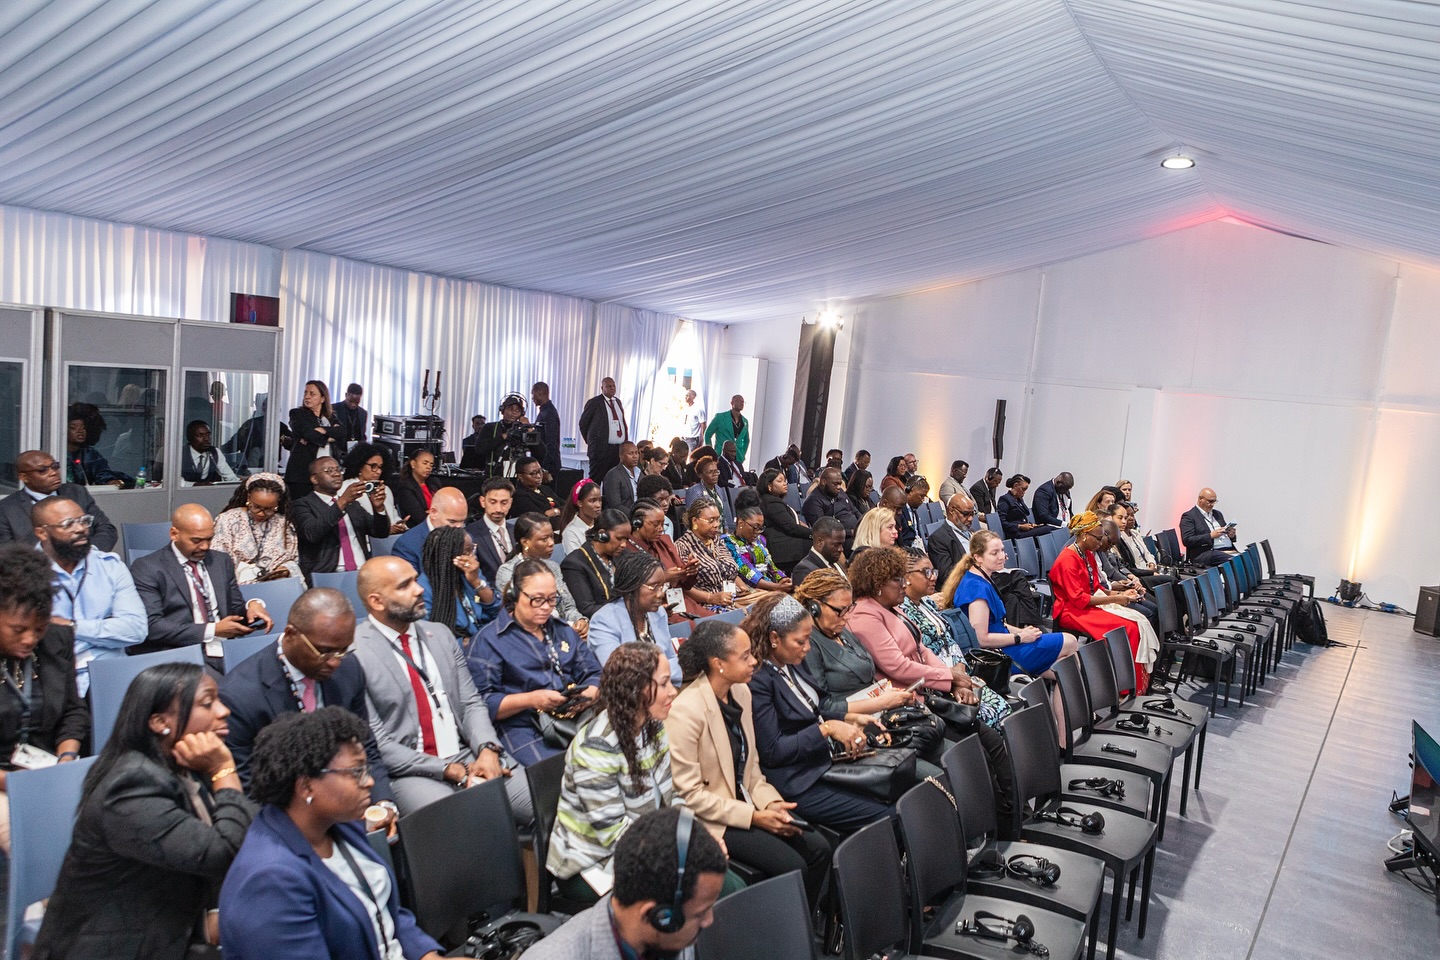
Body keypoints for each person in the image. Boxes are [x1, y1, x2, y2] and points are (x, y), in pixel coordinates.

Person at [31, 663, 255, 960]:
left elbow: (239, 830)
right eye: (207, 703)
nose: (224, 711)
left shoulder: (185, 762)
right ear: (160, 722)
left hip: (167, 923)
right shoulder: (131, 786)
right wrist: (224, 770)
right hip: (115, 947)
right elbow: (221, 853)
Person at [218, 708, 442, 960]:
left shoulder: (339, 825)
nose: (369, 781)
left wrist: (428, 956)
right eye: (356, 772)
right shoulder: (269, 882)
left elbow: (382, 909)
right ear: (306, 786)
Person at [666, 619, 832, 906]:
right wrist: (754, 816)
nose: (755, 661)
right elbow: (690, 796)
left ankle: (802, 922)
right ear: (719, 664)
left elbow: (751, 767)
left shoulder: (741, 692)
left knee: (820, 848)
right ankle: (783, 927)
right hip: (713, 818)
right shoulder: (685, 712)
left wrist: (772, 804)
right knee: (793, 866)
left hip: (749, 802)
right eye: (745, 656)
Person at [349, 557, 530, 818]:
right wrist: (448, 770)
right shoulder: (355, 653)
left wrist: (488, 749)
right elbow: (378, 744)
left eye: (415, 580)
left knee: (542, 806)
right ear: (376, 601)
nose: (419, 589)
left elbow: (471, 704)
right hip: (411, 771)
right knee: (461, 826)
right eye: (405, 585)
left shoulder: (440, 634)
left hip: (469, 753)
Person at [218, 587, 393, 802]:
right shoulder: (239, 697)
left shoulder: (349, 668)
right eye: (323, 651)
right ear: (291, 634)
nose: (335, 662)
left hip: (349, 798)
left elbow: (364, 745)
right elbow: (249, 790)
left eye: (343, 650)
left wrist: (383, 803)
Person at [745, 594, 893, 833]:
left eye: (808, 638)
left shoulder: (792, 660)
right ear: (774, 638)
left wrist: (847, 718)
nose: (808, 647)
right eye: (800, 641)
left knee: (898, 788)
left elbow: (812, 708)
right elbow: (773, 751)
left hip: (825, 760)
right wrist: (827, 729)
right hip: (798, 780)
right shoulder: (757, 680)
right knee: (889, 816)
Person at [548, 642, 681, 904]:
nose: (673, 691)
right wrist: (679, 853)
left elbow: (672, 795)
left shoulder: (652, 726)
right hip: (590, 863)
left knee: (718, 880)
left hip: (645, 843)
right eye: (664, 683)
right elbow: (614, 835)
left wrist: (693, 836)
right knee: (684, 895)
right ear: (636, 689)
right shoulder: (597, 746)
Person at [524, 806, 727, 960]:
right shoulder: (559, 955)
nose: (709, 920)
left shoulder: (671, 940)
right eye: (700, 913)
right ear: (657, 916)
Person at [467, 560, 602, 765]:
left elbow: (594, 673)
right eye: (537, 600)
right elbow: (483, 703)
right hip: (523, 726)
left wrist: (588, 695)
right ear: (514, 595)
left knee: (614, 754)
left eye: (552, 599)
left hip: (577, 716)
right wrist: (531, 699)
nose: (546, 607)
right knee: (557, 771)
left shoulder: (562, 630)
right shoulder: (489, 640)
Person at [0, 545, 89, 854]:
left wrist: (66, 759)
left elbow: (73, 712)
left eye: (39, 629)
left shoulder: (55, 641)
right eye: (18, 630)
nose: (30, 639)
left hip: (48, 770)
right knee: (28, 840)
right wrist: (14, 783)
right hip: (5, 780)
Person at [130, 504, 274, 667]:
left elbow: (234, 609)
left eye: (209, 539)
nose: (205, 546)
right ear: (174, 534)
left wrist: (252, 608)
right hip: (180, 653)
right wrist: (212, 630)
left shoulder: (221, 561)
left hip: (224, 647)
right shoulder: (148, 567)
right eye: (196, 541)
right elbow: (153, 626)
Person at [35, 497, 145, 697]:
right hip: (51, 678)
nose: (80, 529)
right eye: (68, 524)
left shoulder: (110, 566)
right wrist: (107, 631)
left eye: (84, 521)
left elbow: (136, 630)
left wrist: (72, 627)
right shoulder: (22, 574)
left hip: (112, 674)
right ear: (42, 533)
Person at [897, 548, 1011, 728]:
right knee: (988, 718)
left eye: (933, 571)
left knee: (1003, 710)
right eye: (926, 572)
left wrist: (961, 671)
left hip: (960, 674)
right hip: (937, 684)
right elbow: (921, 655)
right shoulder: (902, 612)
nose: (933, 577)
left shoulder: (926, 602)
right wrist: (953, 681)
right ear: (907, 577)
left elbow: (949, 641)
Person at [847, 546, 978, 697]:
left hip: (928, 686)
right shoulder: (864, 615)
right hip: (904, 697)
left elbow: (922, 650)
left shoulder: (891, 607)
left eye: (903, 578)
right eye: (897, 580)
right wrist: (949, 677)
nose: (904, 584)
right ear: (877, 583)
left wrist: (953, 681)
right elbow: (898, 667)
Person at [1047, 513, 1157, 692]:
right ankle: (1125, 688)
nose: (1100, 543)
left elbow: (1096, 587)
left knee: (1137, 623)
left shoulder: (1087, 554)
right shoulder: (1067, 560)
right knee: (1126, 628)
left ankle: (1133, 684)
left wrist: (1121, 593)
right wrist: (1116, 599)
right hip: (1071, 611)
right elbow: (1079, 599)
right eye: (1098, 538)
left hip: (1086, 604)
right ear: (1084, 535)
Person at [944, 530, 1077, 675]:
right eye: (994, 553)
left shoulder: (980, 579)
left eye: (1002, 550)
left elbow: (995, 624)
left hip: (1005, 644)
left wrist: (1022, 631)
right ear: (978, 557)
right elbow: (981, 639)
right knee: (1070, 643)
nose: (1002, 556)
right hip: (998, 655)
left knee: (1065, 670)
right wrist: (1020, 637)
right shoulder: (977, 589)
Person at [290, 457, 391, 582]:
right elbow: (312, 533)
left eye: (338, 469)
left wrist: (378, 508)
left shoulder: (352, 504)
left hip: (362, 571)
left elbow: (381, 532)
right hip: (327, 574)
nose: (337, 474)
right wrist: (342, 501)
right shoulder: (302, 505)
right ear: (314, 479)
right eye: (329, 470)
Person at [588, 551, 682, 684]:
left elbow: (670, 657)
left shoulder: (658, 613)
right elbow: (620, 672)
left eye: (663, 586)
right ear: (632, 586)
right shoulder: (604, 621)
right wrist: (673, 670)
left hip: (662, 687)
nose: (661, 594)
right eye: (654, 587)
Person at [0, 449, 119, 551]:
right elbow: (7, 552)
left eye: (55, 466)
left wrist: (88, 553)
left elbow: (106, 529)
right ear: (24, 477)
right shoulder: (7, 508)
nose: (53, 473)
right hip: (37, 568)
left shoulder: (77, 493)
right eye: (43, 470)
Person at [496, 513, 589, 634]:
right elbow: (517, 617)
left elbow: (568, 607)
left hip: (564, 629)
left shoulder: (553, 567)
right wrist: (563, 629)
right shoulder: (508, 572)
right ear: (525, 542)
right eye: (544, 539)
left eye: (552, 537)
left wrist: (579, 621)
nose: (551, 543)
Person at [210, 474, 303, 584]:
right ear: (248, 498)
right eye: (256, 507)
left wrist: (285, 569)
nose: (261, 513)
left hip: (275, 584)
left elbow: (293, 558)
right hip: (237, 584)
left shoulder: (284, 523)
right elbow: (218, 558)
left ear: (278, 503)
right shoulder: (228, 520)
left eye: (269, 509)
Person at [417, 526, 498, 644]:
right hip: (460, 647)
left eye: (473, 549)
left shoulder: (471, 572)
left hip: (489, 635)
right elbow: (431, 637)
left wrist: (476, 581)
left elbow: (497, 610)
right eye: (467, 552)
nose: (473, 557)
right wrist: (469, 643)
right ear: (447, 557)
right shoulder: (424, 589)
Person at [629, 498, 702, 620]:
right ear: (637, 523)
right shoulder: (627, 550)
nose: (661, 529)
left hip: (681, 601)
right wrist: (664, 577)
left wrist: (689, 571)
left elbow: (684, 585)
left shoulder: (664, 541)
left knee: (719, 623)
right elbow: (634, 591)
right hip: (657, 609)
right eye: (655, 524)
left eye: (663, 524)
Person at [675, 499, 750, 613]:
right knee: (751, 616)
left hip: (733, 597)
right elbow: (683, 588)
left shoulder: (717, 541)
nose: (716, 525)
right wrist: (711, 597)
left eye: (718, 520)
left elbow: (730, 572)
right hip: (707, 604)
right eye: (711, 521)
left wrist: (743, 588)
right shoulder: (682, 546)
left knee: (769, 603)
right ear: (695, 521)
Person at [560, 508, 633, 618]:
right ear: (602, 534)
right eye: (619, 538)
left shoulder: (623, 555)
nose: (624, 544)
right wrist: (625, 612)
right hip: (601, 622)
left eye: (626, 539)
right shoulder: (575, 564)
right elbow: (587, 608)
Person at [284, 380, 347, 501]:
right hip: (302, 475)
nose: (307, 397)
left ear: (322, 398)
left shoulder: (330, 417)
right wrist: (330, 436)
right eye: (305, 393)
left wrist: (322, 430)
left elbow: (342, 432)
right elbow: (309, 434)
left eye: (312, 394)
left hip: (326, 476)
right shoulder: (297, 414)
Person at [391, 485, 469, 571]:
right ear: (433, 513)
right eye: (452, 522)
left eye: (463, 521)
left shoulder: (467, 540)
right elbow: (409, 579)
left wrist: (474, 577)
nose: (459, 527)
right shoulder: (407, 545)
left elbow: (475, 574)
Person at [723, 503, 793, 594]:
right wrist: (776, 587)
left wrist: (783, 579)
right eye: (755, 527)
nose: (758, 532)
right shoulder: (728, 541)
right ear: (741, 523)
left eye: (761, 528)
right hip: (749, 589)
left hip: (771, 586)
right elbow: (746, 571)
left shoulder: (760, 540)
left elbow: (770, 564)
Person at [343, 443, 404, 536]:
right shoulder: (347, 488)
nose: (378, 471)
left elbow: (393, 516)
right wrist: (386, 529)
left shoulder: (385, 489)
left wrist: (400, 525)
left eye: (380, 467)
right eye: (373, 466)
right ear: (360, 465)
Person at [757, 467, 812, 570]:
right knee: (821, 545)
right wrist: (814, 534)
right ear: (769, 486)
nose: (785, 483)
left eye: (785, 480)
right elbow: (791, 527)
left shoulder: (773, 501)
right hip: (780, 548)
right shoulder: (771, 503)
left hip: (785, 541)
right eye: (780, 481)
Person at [64, 403, 130, 488]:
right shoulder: (57, 453)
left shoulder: (90, 454)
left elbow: (102, 473)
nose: (80, 431)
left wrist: (111, 482)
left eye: (83, 427)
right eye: (73, 428)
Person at [579, 377, 628, 481]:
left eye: (613, 386)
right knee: (596, 479)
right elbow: (583, 423)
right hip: (600, 450)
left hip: (617, 450)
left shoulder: (618, 402)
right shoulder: (594, 402)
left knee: (613, 480)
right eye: (609, 386)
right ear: (602, 388)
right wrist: (591, 441)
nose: (612, 388)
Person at [1180, 487, 1239, 566]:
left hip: (1227, 549)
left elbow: (1225, 532)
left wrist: (1231, 535)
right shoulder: (1189, 516)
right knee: (1236, 561)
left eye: (1214, 501)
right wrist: (1210, 536)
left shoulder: (1217, 514)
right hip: (1207, 552)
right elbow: (1187, 540)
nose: (1212, 504)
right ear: (1200, 499)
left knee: (1248, 557)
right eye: (1210, 501)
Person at [927, 493, 975, 584]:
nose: (970, 518)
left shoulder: (973, 533)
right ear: (952, 511)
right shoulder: (938, 539)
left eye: (973, 514)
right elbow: (947, 576)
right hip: (963, 586)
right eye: (965, 514)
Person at [803, 466, 861, 540]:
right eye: (835, 484)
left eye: (840, 484)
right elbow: (823, 529)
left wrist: (864, 524)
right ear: (823, 482)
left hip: (857, 532)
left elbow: (855, 511)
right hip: (841, 538)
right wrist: (851, 532)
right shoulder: (813, 501)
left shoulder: (840, 492)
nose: (839, 487)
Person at [180, 420, 241, 485]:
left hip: (210, 490)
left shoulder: (215, 452)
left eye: (208, 434)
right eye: (200, 435)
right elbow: (176, 481)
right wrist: (193, 485)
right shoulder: (181, 454)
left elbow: (230, 477)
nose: (206, 438)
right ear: (190, 438)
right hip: (185, 491)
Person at [790, 517, 847, 586]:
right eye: (836, 545)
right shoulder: (804, 570)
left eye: (842, 544)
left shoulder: (835, 561)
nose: (841, 549)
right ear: (819, 542)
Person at [390, 449, 436, 530]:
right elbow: (419, 517)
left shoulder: (434, 483)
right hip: (419, 529)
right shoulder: (405, 487)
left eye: (431, 465)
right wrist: (437, 512)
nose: (429, 467)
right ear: (413, 464)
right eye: (425, 463)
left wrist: (431, 512)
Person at [512, 456, 563, 527]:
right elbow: (539, 519)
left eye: (540, 471)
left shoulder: (545, 489)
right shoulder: (519, 496)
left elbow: (567, 506)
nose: (539, 476)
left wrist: (555, 511)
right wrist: (560, 512)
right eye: (533, 473)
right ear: (520, 476)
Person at [559, 478, 605, 555]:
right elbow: (576, 560)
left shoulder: (603, 525)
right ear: (580, 503)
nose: (598, 505)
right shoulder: (571, 532)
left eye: (600, 500)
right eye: (592, 501)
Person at [703, 395, 750, 467]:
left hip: (738, 457)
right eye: (738, 401)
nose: (741, 403)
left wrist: (742, 453)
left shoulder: (745, 421)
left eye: (742, 402)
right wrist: (711, 453)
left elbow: (746, 440)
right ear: (732, 403)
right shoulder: (720, 417)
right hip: (721, 455)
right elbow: (707, 434)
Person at [530, 382, 563, 481]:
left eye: (533, 394)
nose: (532, 398)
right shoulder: (543, 412)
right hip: (541, 462)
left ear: (540, 393)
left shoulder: (549, 413)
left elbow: (551, 442)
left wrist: (545, 468)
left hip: (549, 466)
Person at [997, 473, 1043, 539]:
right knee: (1049, 529)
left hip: (1023, 531)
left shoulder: (1019, 500)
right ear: (1015, 485)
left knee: (1048, 527)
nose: (1024, 492)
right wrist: (1019, 526)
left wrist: (1030, 525)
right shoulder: (1005, 499)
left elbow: (1023, 516)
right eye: (1023, 489)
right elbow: (1002, 522)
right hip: (1015, 533)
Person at [602, 441, 643, 511]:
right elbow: (615, 505)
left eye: (636, 453)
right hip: (621, 515)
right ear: (621, 455)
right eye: (630, 453)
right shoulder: (613, 475)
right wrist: (634, 514)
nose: (635, 456)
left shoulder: (639, 473)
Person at [895, 476, 929, 548]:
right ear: (910, 491)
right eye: (921, 496)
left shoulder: (913, 510)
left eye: (924, 497)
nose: (922, 500)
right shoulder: (899, 511)